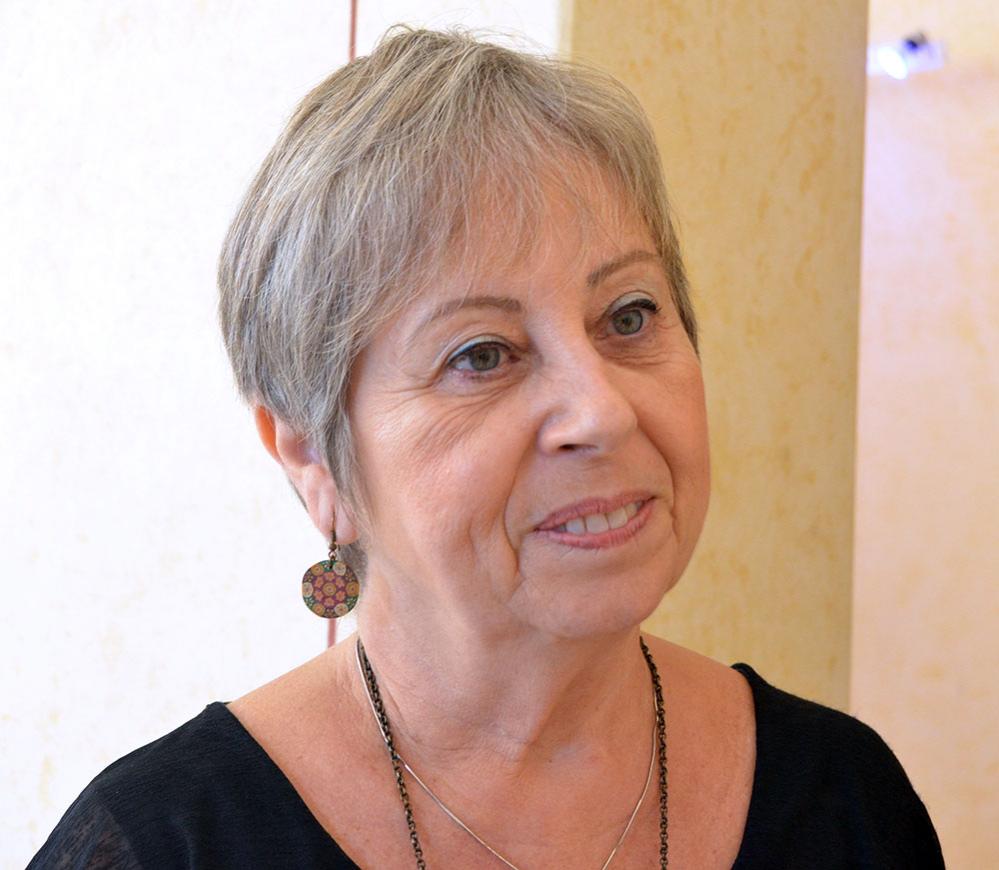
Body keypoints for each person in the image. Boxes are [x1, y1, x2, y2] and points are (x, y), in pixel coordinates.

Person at [30, 27, 944, 869]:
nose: (601, 412)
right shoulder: (166, 842)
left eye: (628, 316)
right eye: (481, 355)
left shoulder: (849, 799)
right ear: (312, 457)